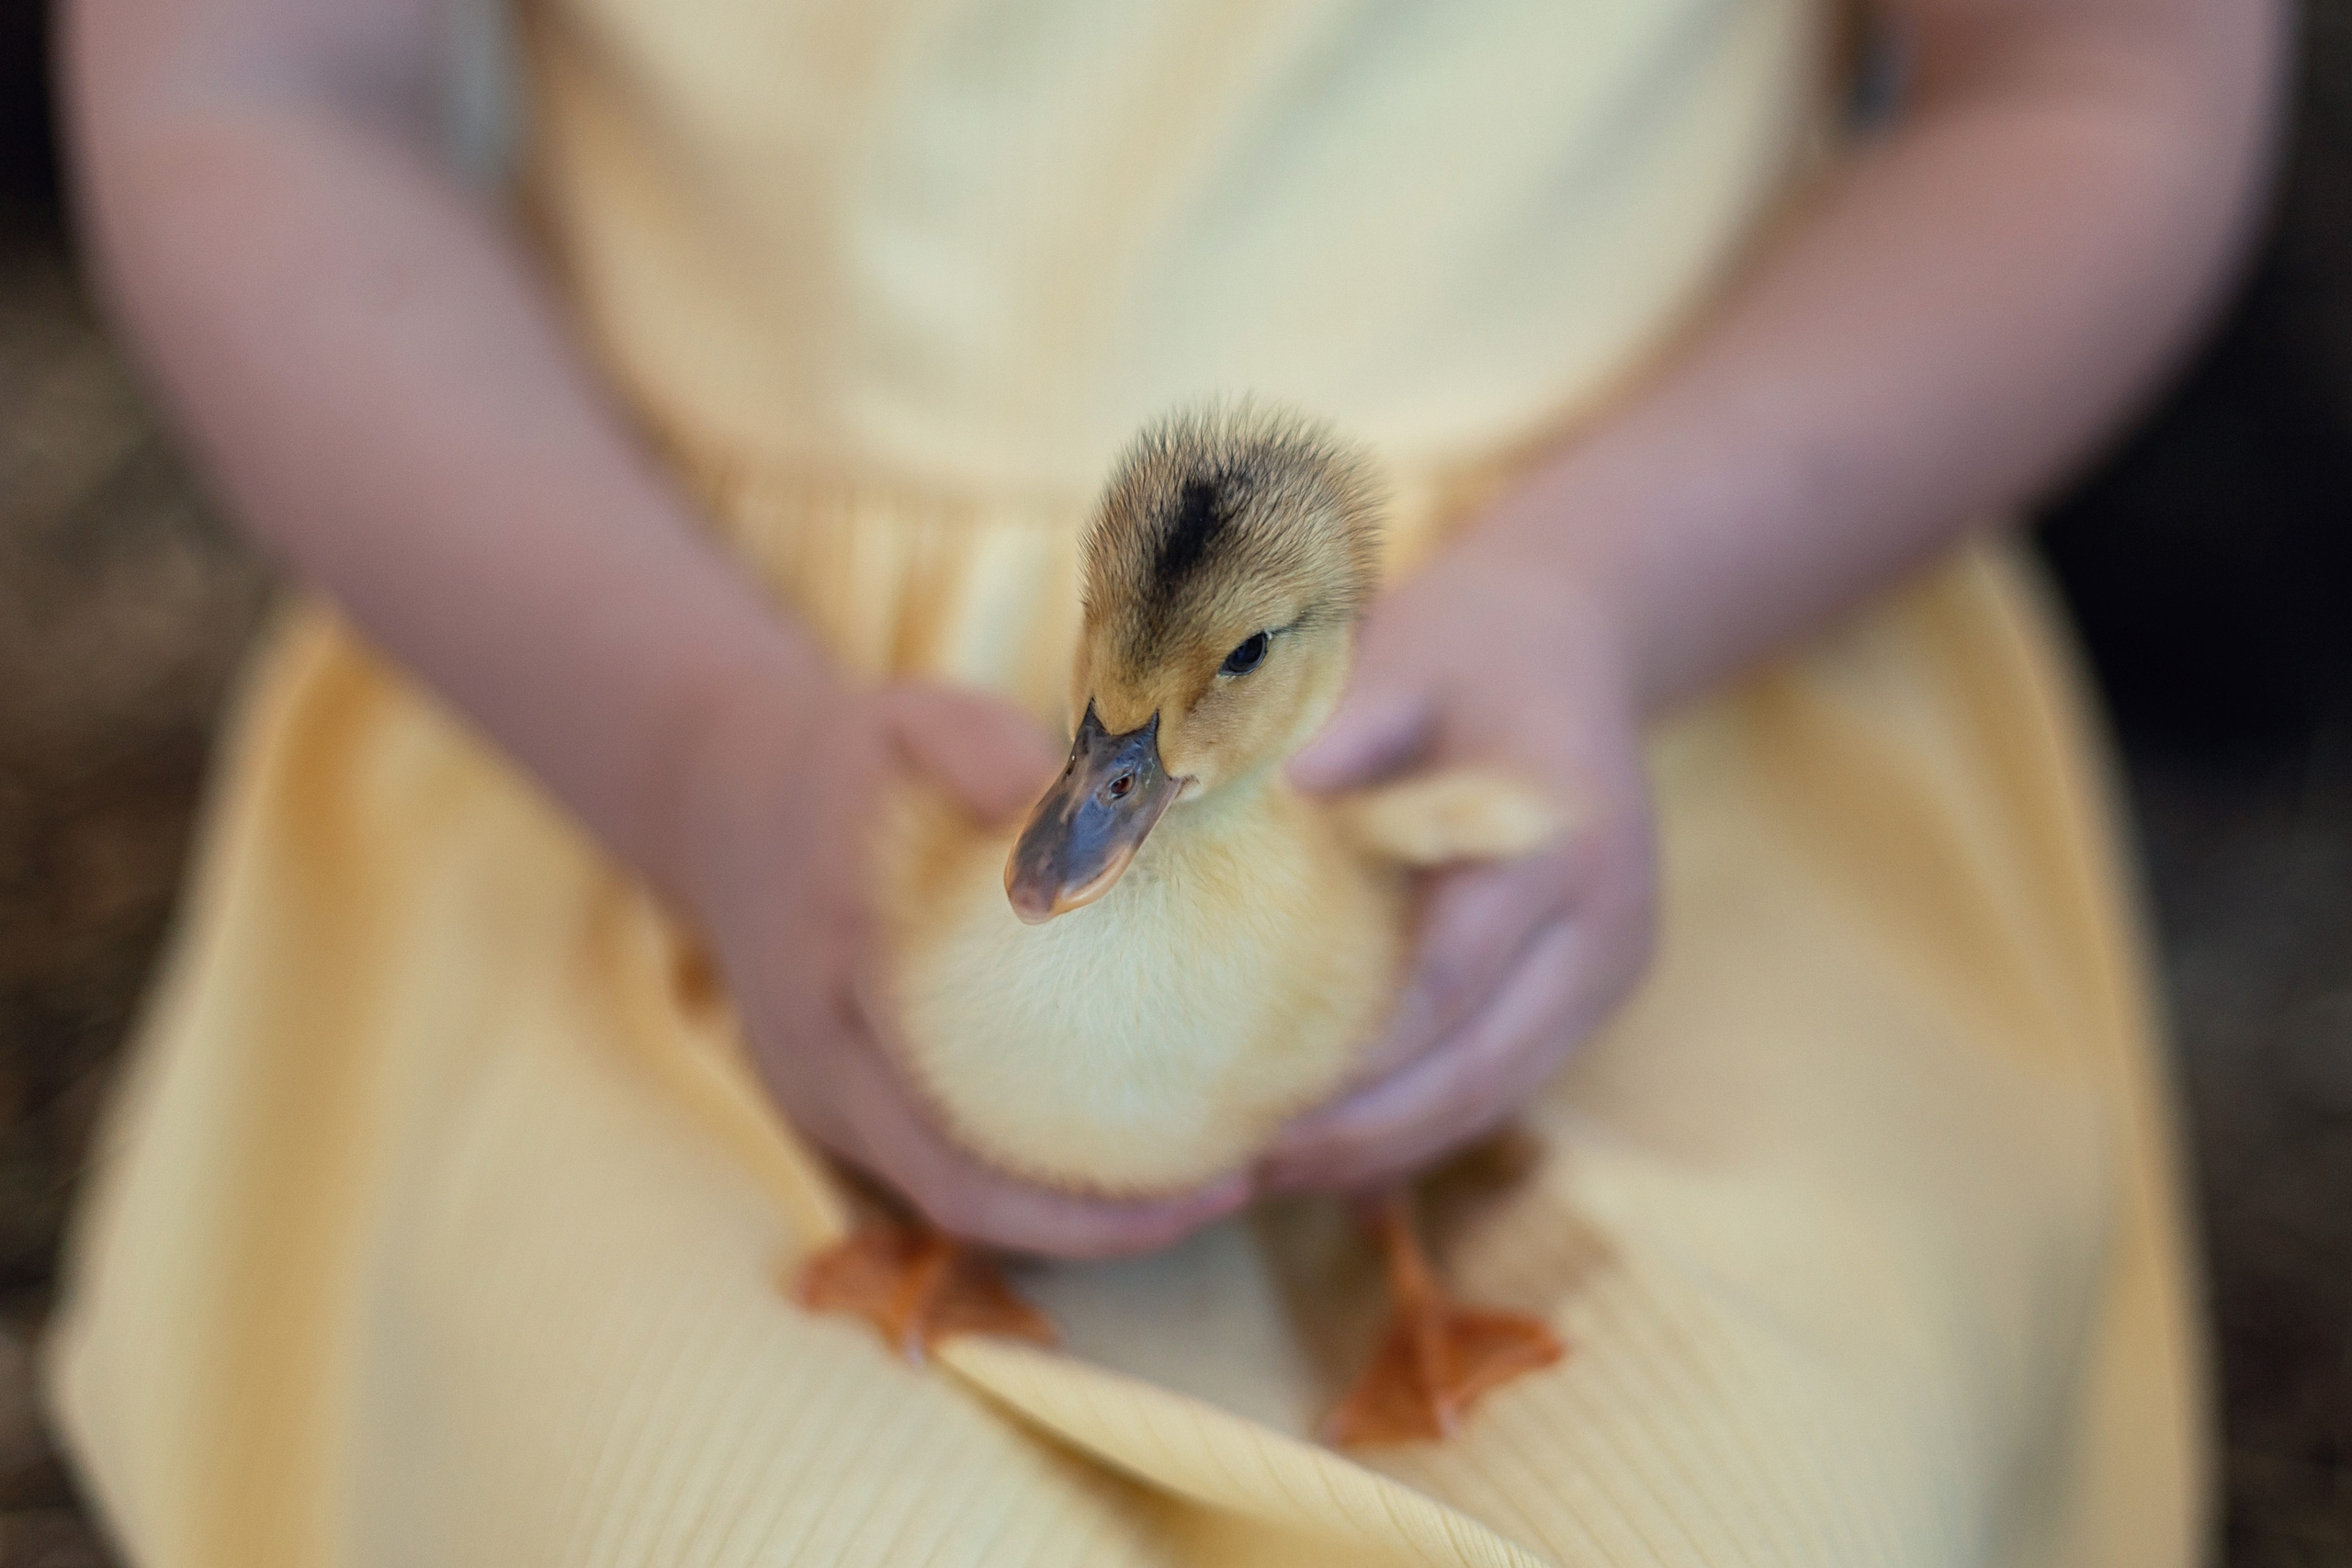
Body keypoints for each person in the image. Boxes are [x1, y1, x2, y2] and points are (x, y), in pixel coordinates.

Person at [47, 0, 2280, 1562]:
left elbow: (2088, 63)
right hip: (637, 668)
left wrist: (1601, 600)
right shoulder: (695, 728)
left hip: (1646, 688)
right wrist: (697, 751)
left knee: (1718, 1500)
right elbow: (249, 79)